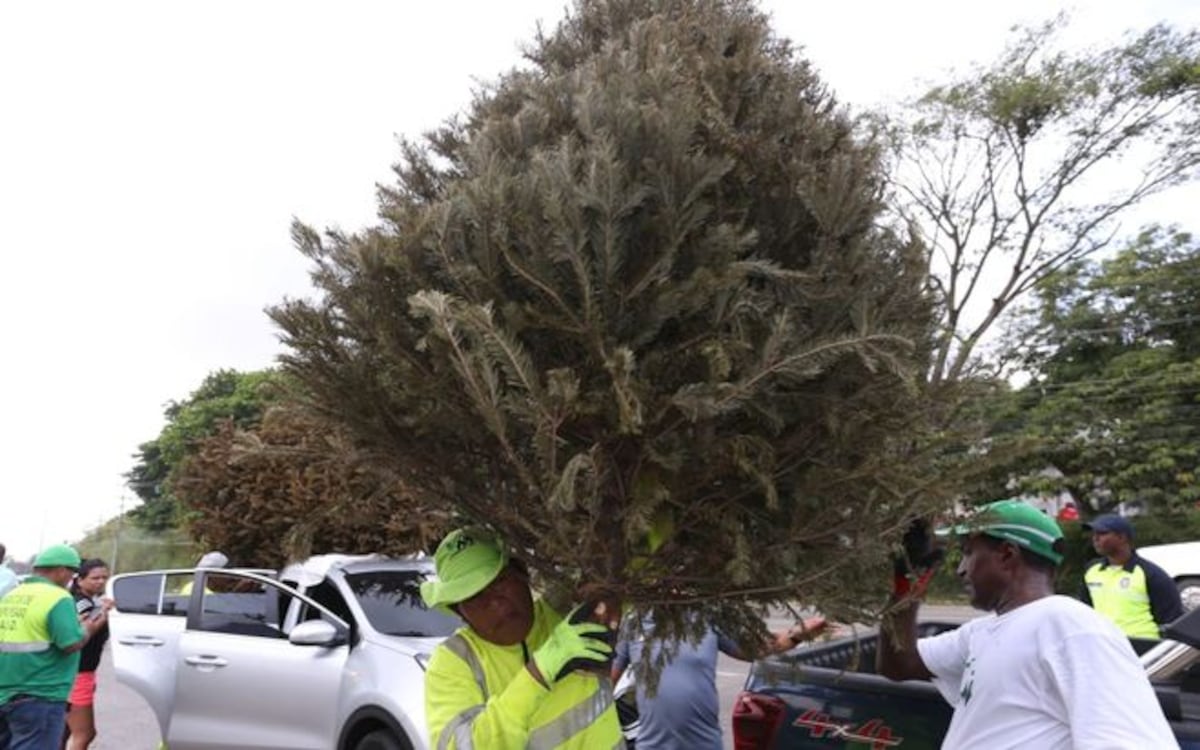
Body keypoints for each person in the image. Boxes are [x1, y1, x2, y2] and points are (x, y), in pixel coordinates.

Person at [877, 499, 1177, 749]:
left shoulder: (1071, 627)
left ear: (1007, 554)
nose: (960, 569)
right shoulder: (981, 631)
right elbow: (899, 664)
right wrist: (907, 586)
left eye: (969, 553)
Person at [419, 527, 624, 749]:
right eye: (474, 596)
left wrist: (611, 595)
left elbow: (630, 558)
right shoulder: (454, 662)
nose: (495, 601)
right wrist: (539, 672)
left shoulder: (565, 612)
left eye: (500, 581)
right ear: (460, 612)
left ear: (522, 573)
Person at [610, 612, 828, 749]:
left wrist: (797, 635)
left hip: (703, 743)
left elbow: (756, 648)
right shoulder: (634, 621)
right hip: (652, 744)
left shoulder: (707, 617)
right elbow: (607, 680)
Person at [0, 544, 106, 750]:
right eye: (72, 572)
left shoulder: (12, 596)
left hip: (5, 692)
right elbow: (71, 643)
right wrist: (87, 628)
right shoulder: (58, 597)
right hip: (40, 694)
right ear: (60, 570)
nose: (72, 579)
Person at [1081, 513, 1183, 639]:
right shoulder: (1092, 571)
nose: (1095, 538)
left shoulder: (1151, 574)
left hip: (1143, 647)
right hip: (1105, 645)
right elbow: (1085, 612)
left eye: (1102, 533)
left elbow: (1172, 620)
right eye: (1094, 534)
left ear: (1122, 537)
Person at [63, 559, 113, 750]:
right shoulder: (81, 602)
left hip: (80, 672)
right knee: (84, 734)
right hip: (79, 673)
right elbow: (87, 629)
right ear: (80, 580)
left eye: (104, 578)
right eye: (95, 578)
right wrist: (105, 613)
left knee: (65, 731)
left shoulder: (88, 600)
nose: (100, 582)